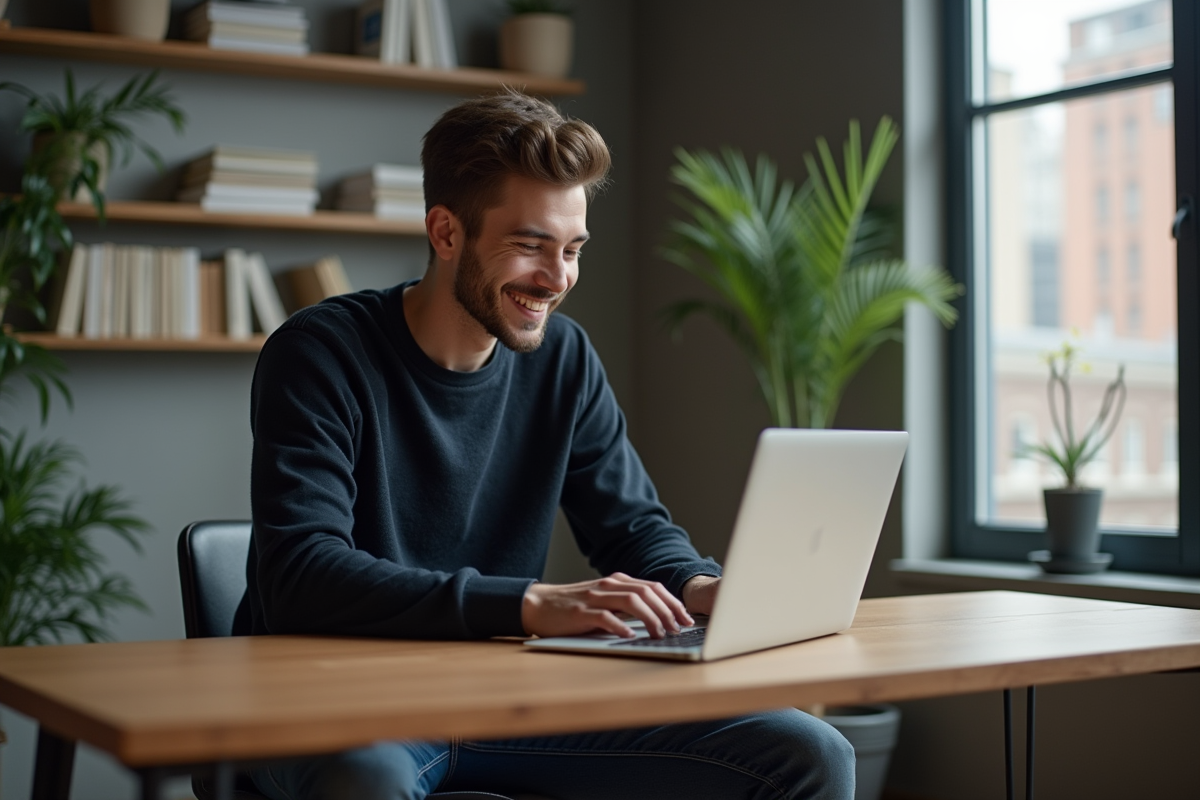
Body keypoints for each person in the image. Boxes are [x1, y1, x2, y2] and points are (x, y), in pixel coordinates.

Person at [238, 89, 855, 800]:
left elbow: (632, 528)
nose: (557, 278)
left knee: (809, 753)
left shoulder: (562, 357)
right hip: (344, 706)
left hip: (512, 699)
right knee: (363, 782)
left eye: (572, 249)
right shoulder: (321, 353)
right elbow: (300, 577)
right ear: (446, 233)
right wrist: (531, 605)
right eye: (530, 245)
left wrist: (700, 586)